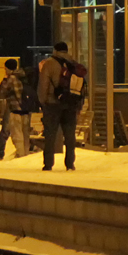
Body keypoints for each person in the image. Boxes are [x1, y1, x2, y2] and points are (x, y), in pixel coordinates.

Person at [38, 41, 82, 171]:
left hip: (53, 104)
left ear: (55, 50)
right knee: (69, 135)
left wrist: (43, 101)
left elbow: (43, 85)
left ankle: (48, 163)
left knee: (50, 135)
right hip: (70, 104)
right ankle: (70, 163)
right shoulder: (73, 63)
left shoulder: (49, 64)